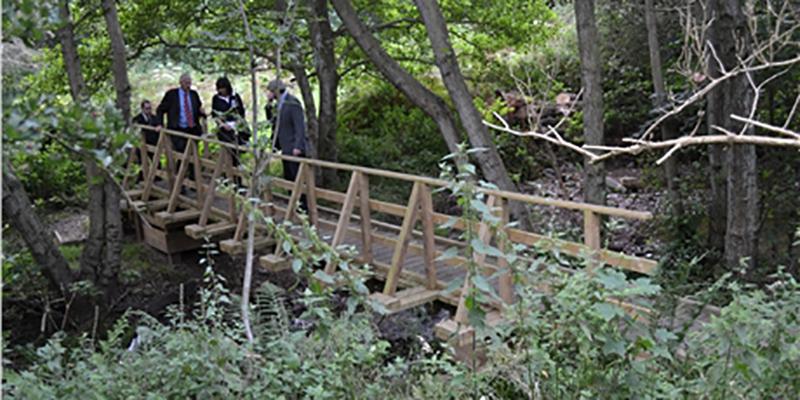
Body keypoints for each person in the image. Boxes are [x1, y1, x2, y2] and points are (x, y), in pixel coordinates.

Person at [265, 78, 308, 210]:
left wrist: (298, 146)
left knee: (297, 180)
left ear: (275, 91)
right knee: (289, 179)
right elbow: (273, 122)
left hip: (294, 148)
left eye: (270, 91)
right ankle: (293, 207)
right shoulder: (277, 104)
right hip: (285, 147)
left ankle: (303, 209)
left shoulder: (292, 103)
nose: (268, 94)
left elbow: (300, 126)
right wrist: (268, 106)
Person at [155, 73, 206, 182]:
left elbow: (197, 109)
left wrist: (202, 113)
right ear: (181, 83)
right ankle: (179, 182)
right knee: (182, 155)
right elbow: (160, 109)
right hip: (178, 129)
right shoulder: (172, 94)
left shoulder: (193, 94)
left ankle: (193, 181)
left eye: (190, 83)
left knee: (194, 155)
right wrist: (159, 124)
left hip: (192, 129)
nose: (188, 85)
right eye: (186, 83)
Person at [211, 77, 248, 167]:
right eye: (220, 88)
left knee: (238, 148)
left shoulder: (235, 97)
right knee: (228, 149)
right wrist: (222, 124)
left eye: (223, 88)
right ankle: (229, 168)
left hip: (236, 126)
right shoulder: (216, 98)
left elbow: (241, 112)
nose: (222, 90)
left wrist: (238, 123)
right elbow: (215, 114)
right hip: (224, 128)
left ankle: (237, 167)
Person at [131, 100, 160, 182]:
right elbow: (136, 128)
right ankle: (141, 180)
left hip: (153, 143)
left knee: (156, 162)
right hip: (142, 143)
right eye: (147, 108)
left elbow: (159, 125)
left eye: (150, 108)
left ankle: (156, 179)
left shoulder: (154, 118)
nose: (149, 110)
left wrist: (159, 127)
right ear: (142, 109)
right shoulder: (137, 118)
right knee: (142, 162)